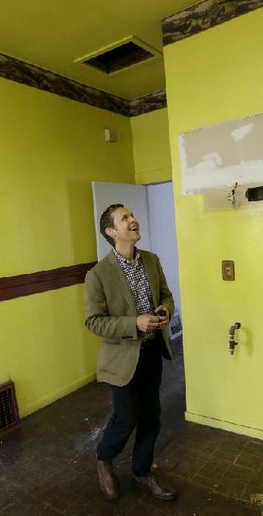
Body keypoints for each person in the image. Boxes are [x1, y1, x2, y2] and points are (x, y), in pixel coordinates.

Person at [84, 203, 178, 502]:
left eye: (132, 215)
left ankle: (141, 471)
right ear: (112, 232)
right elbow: (94, 321)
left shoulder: (151, 260)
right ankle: (103, 458)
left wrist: (164, 310)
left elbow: (166, 295)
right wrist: (133, 323)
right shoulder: (98, 275)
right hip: (122, 358)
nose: (133, 219)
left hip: (152, 352)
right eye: (125, 218)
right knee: (126, 417)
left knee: (151, 415)